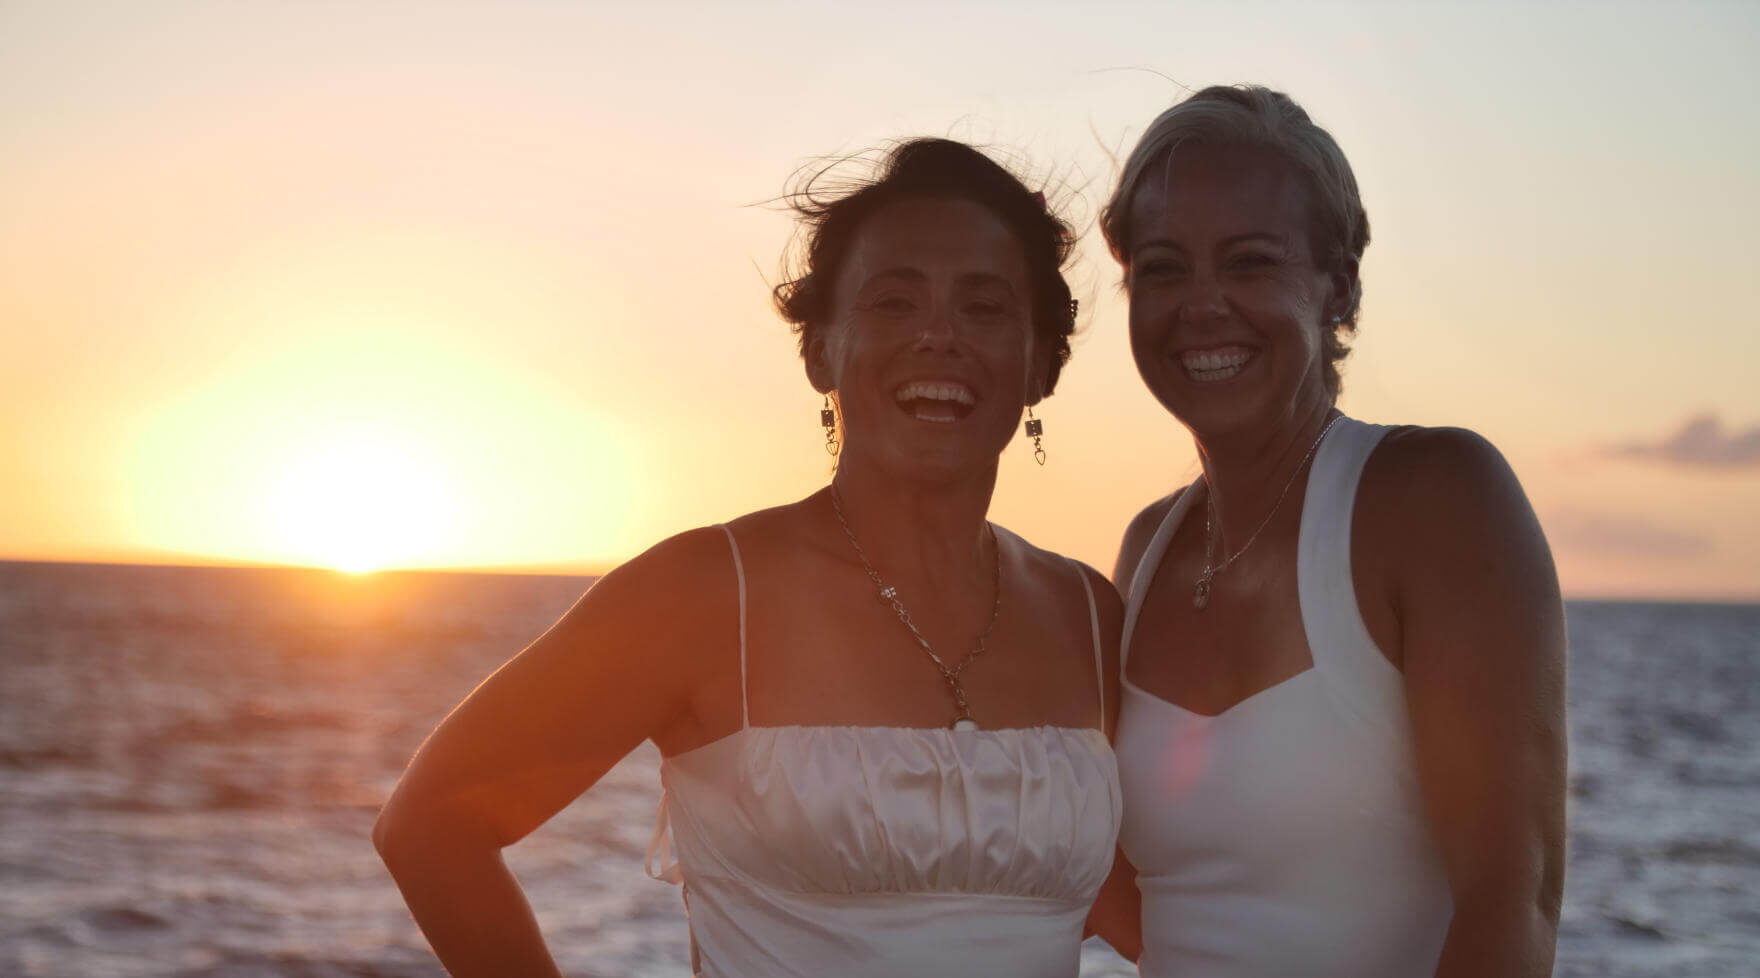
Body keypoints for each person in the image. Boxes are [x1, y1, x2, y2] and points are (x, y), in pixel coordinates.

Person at [373, 138, 1123, 978]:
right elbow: (432, 825)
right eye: (893, 304)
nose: (938, 338)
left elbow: (1180, 908)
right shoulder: (700, 593)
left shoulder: (1090, 617)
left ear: (1042, 365)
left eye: (984, 308)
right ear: (819, 352)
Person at [1083, 86, 1566, 977]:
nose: (1201, 305)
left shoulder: (1437, 500)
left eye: (1251, 263)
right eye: (1162, 268)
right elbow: (1144, 899)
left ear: (1337, 283)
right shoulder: (1146, 547)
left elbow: (1514, 909)